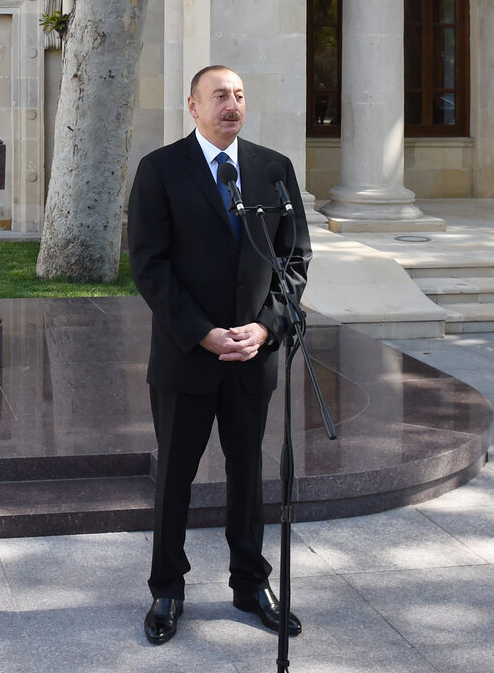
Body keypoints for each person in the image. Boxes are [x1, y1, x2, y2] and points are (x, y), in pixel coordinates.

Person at [127, 65, 311, 645]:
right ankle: (166, 589)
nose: (231, 105)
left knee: (248, 473)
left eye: (238, 96)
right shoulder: (160, 170)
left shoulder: (273, 169)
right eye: (219, 97)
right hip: (188, 354)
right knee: (175, 477)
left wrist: (266, 328)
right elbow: (149, 267)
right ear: (192, 106)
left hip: (252, 357)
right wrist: (202, 332)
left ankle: (250, 583)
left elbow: (295, 261)